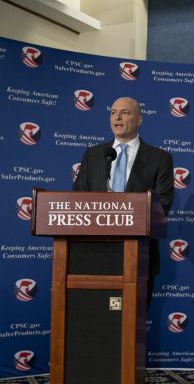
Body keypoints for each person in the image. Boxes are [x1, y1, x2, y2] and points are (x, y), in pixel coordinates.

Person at [73, 96, 175, 279]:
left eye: (125, 113)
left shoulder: (159, 158)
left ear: (139, 120)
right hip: (95, 252)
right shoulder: (93, 155)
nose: (117, 118)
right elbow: (79, 196)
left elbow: (163, 204)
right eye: (113, 113)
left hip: (139, 253)